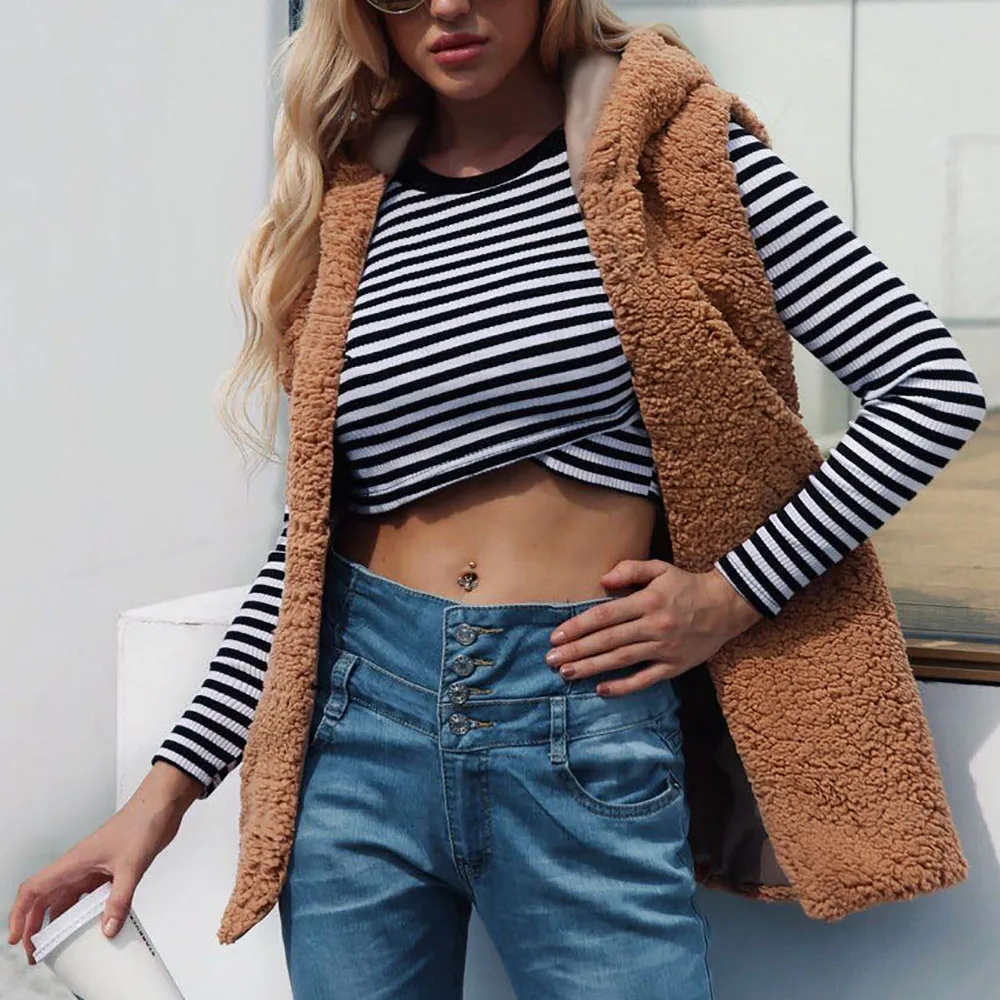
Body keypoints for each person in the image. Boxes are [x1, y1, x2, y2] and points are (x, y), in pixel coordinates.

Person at [8, 0, 987, 996]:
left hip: (579, 710)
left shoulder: (676, 153)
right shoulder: (354, 192)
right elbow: (307, 554)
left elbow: (931, 387)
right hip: (358, 728)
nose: (444, 7)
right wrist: (163, 796)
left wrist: (732, 593)